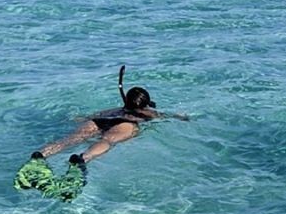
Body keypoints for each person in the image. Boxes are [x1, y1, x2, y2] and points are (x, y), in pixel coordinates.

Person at [14, 66, 183, 200]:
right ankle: (82, 160)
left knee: (71, 138)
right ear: (145, 104)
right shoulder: (149, 113)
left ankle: (39, 156)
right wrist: (182, 117)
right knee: (108, 140)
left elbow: (86, 117)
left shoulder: (112, 110)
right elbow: (169, 116)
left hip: (101, 120)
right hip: (125, 124)